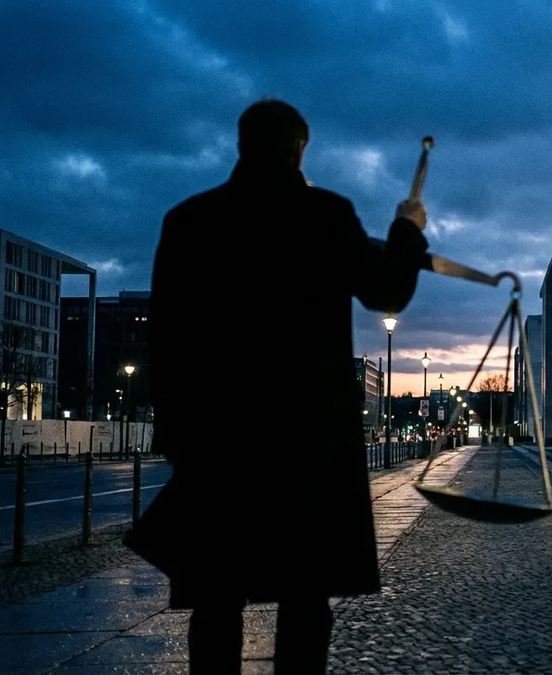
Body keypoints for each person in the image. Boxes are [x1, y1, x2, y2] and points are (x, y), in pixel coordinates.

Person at [124, 99, 429, 673]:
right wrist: (406, 229)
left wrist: (175, 433)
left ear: (241, 145)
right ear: (299, 149)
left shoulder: (190, 219)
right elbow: (388, 290)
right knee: (305, 600)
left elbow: (164, 335)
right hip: (306, 443)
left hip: (219, 439)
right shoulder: (325, 215)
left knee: (216, 600)